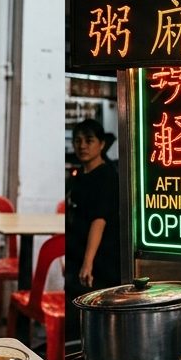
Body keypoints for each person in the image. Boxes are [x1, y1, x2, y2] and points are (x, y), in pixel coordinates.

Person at [65, 119, 121, 300]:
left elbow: (99, 220)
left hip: (100, 261)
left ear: (101, 144)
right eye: (78, 141)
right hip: (77, 256)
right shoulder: (78, 176)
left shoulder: (107, 176)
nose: (82, 146)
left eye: (89, 140)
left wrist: (88, 263)